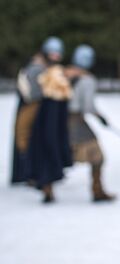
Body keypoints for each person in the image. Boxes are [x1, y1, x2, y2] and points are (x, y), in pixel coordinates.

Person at [11, 37, 73, 202]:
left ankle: (42, 177)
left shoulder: (50, 69)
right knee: (29, 141)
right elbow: (31, 94)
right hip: (36, 111)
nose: (55, 57)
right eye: (52, 54)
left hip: (47, 114)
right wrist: (49, 88)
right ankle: (32, 174)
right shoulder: (36, 68)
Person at [64, 44, 115, 202]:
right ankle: (97, 191)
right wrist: (100, 117)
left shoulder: (64, 74)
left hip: (58, 121)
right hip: (76, 121)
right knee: (97, 156)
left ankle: (47, 189)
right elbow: (88, 106)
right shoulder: (87, 80)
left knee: (61, 152)